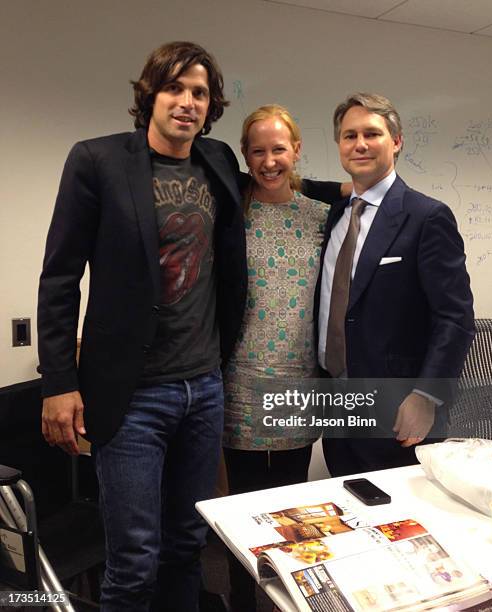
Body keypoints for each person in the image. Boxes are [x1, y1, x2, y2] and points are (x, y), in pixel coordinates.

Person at [37, 41, 247, 612]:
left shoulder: (220, 161)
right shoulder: (98, 161)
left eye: (199, 93)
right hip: (132, 397)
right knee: (133, 560)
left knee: (185, 545)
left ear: (211, 105)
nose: (187, 102)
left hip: (204, 388)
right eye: (175, 88)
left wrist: (355, 191)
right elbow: (59, 277)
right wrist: (59, 381)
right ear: (149, 95)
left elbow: (274, 188)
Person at [311, 93, 475, 477]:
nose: (360, 144)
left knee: (404, 524)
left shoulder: (426, 217)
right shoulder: (335, 215)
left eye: (372, 133)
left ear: (396, 142)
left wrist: (426, 396)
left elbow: (455, 317)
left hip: (400, 409)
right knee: (349, 508)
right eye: (349, 136)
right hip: (337, 401)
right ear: (339, 145)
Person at [222, 104, 346, 612]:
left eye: (279, 149)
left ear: (296, 150)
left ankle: (292, 602)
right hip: (239, 380)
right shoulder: (230, 209)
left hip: (300, 379)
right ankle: (240, 600)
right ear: (245, 155)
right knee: (240, 511)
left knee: (293, 509)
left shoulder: (321, 216)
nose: (269, 160)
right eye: (257, 150)